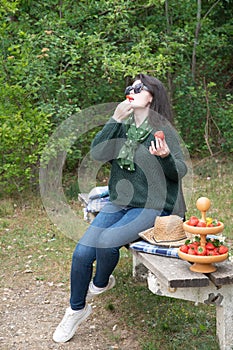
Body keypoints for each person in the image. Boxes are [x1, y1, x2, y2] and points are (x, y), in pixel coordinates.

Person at [53, 73, 187, 343]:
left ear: (152, 97)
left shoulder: (163, 131)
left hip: (153, 205)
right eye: (132, 86)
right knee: (81, 254)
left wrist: (165, 157)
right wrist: (114, 119)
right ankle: (76, 310)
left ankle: (101, 283)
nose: (133, 90)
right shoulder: (123, 126)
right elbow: (98, 154)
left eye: (140, 87)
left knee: (106, 242)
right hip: (120, 201)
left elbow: (179, 171)